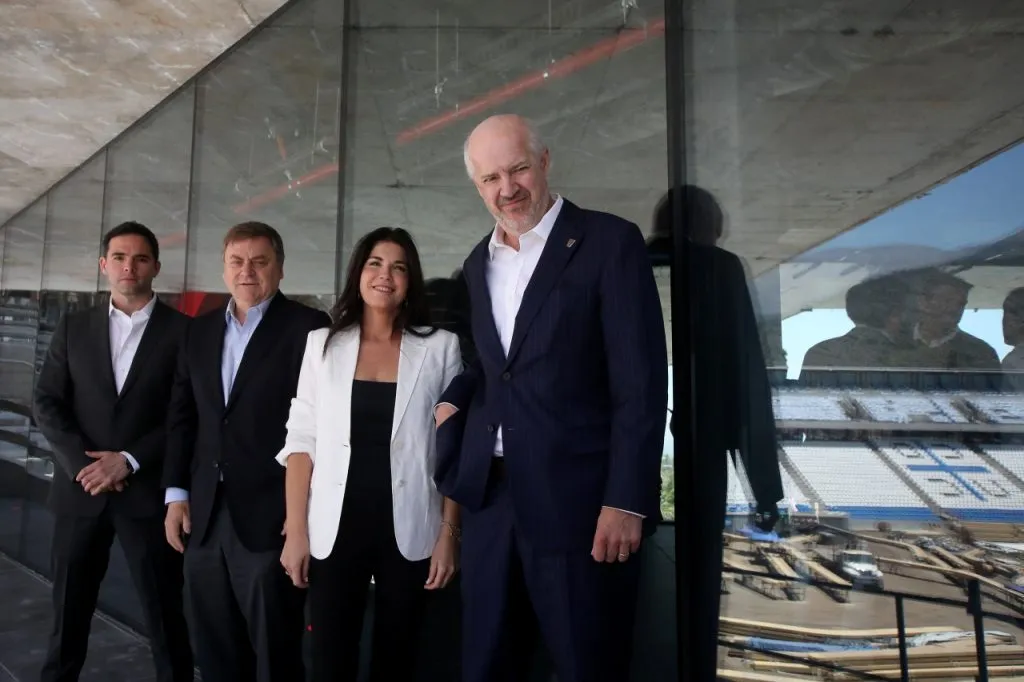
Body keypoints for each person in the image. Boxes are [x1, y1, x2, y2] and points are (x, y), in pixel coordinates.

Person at [433, 114, 668, 682]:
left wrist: (627, 499)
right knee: (487, 664)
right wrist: (455, 398)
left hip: (580, 507)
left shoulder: (610, 242)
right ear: (478, 187)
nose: (506, 189)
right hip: (492, 503)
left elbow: (640, 380)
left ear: (544, 162)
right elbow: (497, 369)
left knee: (587, 663)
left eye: (516, 169)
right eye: (490, 178)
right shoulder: (475, 263)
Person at [277, 227, 463, 681]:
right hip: (335, 527)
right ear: (359, 273)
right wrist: (296, 530)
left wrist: (449, 533)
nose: (386, 275)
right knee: (329, 656)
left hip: (411, 526)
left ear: (410, 282)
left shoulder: (441, 347)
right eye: (376, 263)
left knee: (398, 658)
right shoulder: (322, 345)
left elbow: (453, 449)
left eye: (399, 267)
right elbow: (301, 439)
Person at [162, 222, 330, 682]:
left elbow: (321, 425)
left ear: (279, 268)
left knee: (276, 654)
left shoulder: (309, 328)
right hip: (204, 516)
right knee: (215, 653)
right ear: (223, 269)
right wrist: (176, 494)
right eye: (237, 261)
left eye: (259, 261)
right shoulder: (197, 333)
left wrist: (301, 515)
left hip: (270, 516)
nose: (247, 271)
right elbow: (182, 418)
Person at [33, 221, 193, 682]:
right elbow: (46, 401)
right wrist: (86, 466)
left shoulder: (184, 332)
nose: (130, 266)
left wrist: (128, 459)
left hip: (148, 498)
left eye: (140, 258)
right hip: (80, 493)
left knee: (165, 618)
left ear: (156, 267)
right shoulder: (73, 326)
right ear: (104, 265)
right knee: (67, 618)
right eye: (120, 257)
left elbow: (186, 414)